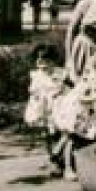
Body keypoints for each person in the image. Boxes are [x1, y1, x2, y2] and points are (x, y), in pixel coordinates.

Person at [51, 41, 96, 178]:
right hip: (77, 112)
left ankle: (62, 157)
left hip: (85, 115)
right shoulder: (87, 83)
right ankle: (67, 168)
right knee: (73, 139)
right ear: (94, 70)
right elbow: (81, 99)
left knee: (78, 139)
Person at [23, 44, 71, 175]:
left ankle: (57, 156)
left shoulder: (60, 73)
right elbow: (35, 94)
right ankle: (54, 161)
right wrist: (37, 110)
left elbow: (69, 87)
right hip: (44, 108)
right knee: (48, 135)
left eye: (44, 59)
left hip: (59, 106)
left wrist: (63, 93)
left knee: (65, 131)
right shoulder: (37, 76)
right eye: (38, 59)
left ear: (52, 60)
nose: (40, 62)